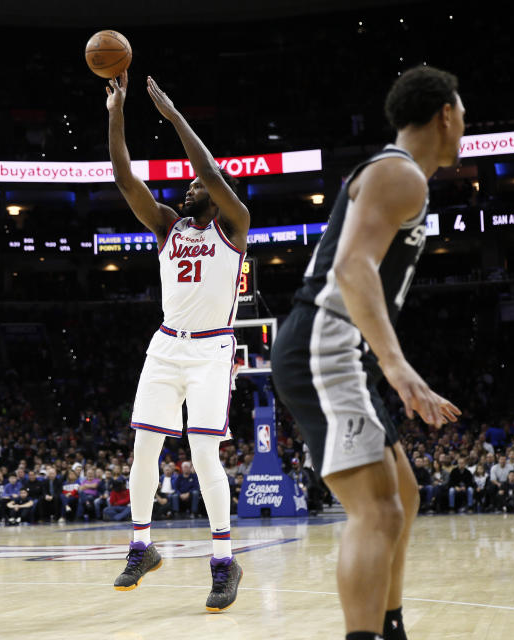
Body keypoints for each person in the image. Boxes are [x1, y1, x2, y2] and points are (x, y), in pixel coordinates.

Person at [271, 66, 464, 640]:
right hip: (327, 341)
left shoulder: (395, 173)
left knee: (402, 492)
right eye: (463, 114)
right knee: (376, 509)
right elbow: (351, 267)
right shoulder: (402, 175)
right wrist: (396, 364)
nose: (464, 126)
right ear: (445, 114)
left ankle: (390, 623)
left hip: (336, 345)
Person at [106, 70, 249, 612]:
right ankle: (141, 545)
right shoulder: (168, 226)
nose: (187, 189)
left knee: (205, 454)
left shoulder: (232, 224)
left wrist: (172, 118)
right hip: (166, 344)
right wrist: (117, 112)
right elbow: (124, 180)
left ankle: (223, 561)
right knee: (144, 447)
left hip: (213, 348)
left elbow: (209, 170)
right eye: (188, 187)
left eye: (195, 188)